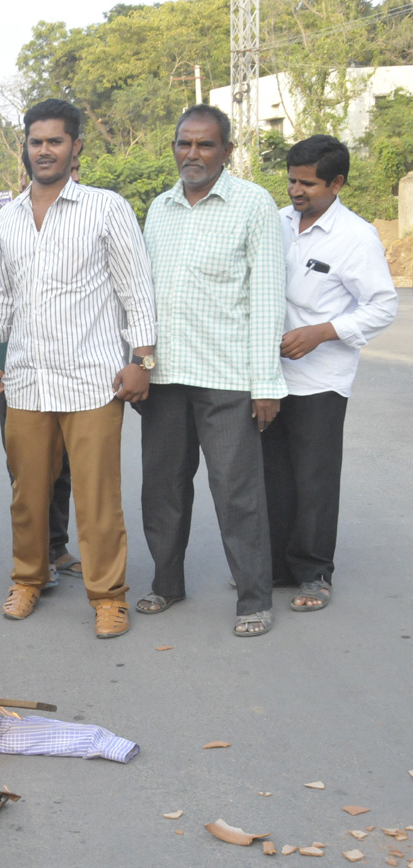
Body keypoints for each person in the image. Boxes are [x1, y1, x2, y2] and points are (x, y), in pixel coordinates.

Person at [0, 99, 156, 639]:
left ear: (76, 147)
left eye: (56, 141)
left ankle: (108, 596)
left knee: (98, 496)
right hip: (26, 378)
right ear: (25, 148)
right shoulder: (7, 217)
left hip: (93, 378)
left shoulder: (106, 208)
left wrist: (141, 360)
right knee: (27, 492)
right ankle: (29, 579)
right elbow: (0, 296)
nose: (45, 150)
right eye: (36, 142)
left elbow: (135, 289)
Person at [138, 104, 287, 638]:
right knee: (162, 489)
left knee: (237, 492)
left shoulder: (254, 205)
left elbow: (269, 298)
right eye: (184, 144)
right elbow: (143, 297)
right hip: (165, 379)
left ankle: (253, 597)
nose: (192, 154)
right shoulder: (160, 208)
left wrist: (267, 384)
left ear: (226, 150)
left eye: (205, 145)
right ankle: (166, 583)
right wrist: (140, 362)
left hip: (227, 377)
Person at [263, 135, 398, 611]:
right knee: (271, 475)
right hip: (266, 375)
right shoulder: (274, 221)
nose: (296, 191)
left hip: (321, 380)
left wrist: (323, 331)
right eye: (291, 181)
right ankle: (276, 568)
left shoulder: (356, 236)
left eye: (308, 183)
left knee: (314, 477)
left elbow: (383, 305)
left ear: (337, 182)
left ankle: (314, 573)